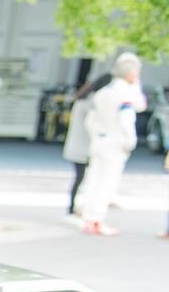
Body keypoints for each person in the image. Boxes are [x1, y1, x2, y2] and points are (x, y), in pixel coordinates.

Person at [73, 53, 146, 236]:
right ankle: (97, 219)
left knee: (93, 179)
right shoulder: (126, 93)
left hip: (99, 139)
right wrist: (129, 141)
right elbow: (131, 114)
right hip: (115, 141)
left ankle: (88, 218)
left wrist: (96, 134)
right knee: (106, 182)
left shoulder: (103, 92)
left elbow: (91, 119)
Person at [61, 73, 110, 219]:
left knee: (79, 178)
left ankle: (73, 207)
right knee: (84, 178)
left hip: (76, 145)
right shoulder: (91, 103)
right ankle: (77, 207)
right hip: (85, 147)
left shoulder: (83, 99)